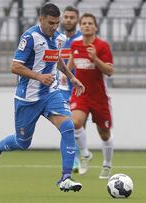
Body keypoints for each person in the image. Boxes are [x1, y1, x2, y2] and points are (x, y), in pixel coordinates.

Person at [0, 3, 85, 192]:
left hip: (51, 94)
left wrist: (72, 77)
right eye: (50, 23)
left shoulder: (59, 38)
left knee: (68, 126)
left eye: (57, 23)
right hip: (28, 98)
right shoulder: (30, 37)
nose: (54, 27)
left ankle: (66, 178)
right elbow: (15, 67)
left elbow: (56, 58)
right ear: (41, 19)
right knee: (23, 143)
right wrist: (39, 76)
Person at [67, 13, 115, 179]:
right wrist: (63, 75)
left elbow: (109, 71)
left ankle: (107, 165)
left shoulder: (102, 46)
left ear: (95, 27)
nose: (87, 25)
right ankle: (85, 154)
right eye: (84, 23)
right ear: (80, 26)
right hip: (81, 94)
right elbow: (71, 64)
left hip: (99, 97)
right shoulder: (75, 44)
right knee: (74, 122)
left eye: (90, 23)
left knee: (104, 134)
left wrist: (95, 59)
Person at [58, 6, 83, 173]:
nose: (68, 20)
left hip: (79, 86)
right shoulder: (56, 38)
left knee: (79, 126)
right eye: (65, 17)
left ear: (77, 20)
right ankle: (73, 159)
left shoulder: (82, 39)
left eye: (71, 17)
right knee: (67, 125)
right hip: (60, 88)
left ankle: (80, 154)